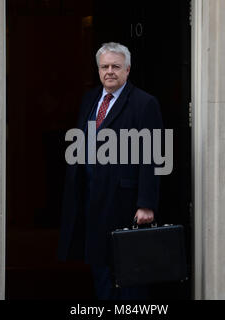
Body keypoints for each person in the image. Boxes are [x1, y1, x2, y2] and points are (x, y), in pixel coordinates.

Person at [57, 42, 163, 300]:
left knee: (129, 272)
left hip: (125, 202)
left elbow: (153, 154)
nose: (110, 72)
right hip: (93, 199)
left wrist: (146, 203)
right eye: (104, 67)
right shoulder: (90, 99)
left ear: (127, 69)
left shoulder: (144, 103)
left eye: (116, 66)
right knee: (100, 271)